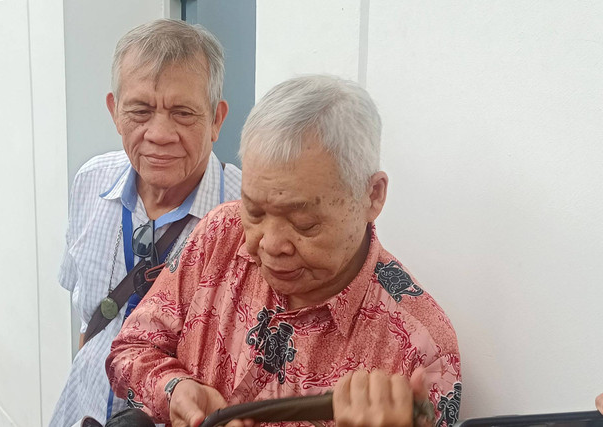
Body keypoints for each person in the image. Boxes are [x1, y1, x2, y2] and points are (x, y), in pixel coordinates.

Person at [106, 75, 462, 427]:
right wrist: (175, 389)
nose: (270, 244)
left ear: (372, 196)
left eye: (304, 223)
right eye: (255, 212)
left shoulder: (421, 350)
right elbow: (129, 351)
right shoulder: (219, 234)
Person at [50, 19, 242, 427]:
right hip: (80, 409)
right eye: (139, 110)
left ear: (216, 120)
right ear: (114, 112)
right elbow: (88, 317)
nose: (158, 134)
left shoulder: (247, 214)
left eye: (183, 112)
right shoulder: (90, 180)